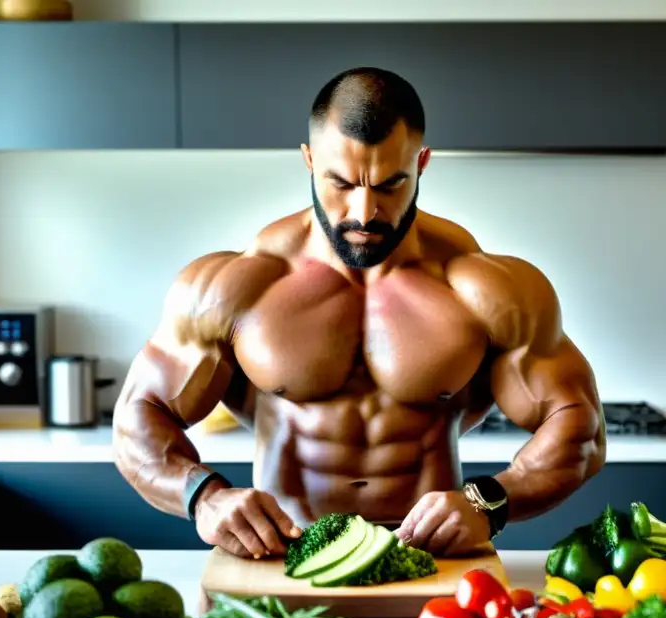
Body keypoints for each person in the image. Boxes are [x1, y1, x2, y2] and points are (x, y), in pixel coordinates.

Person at [112, 66, 607, 559]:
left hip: (428, 559)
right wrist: (205, 496)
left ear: (423, 164)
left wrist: (491, 502)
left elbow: (579, 425)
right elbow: (139, 415)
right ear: (308, 160)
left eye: (390, 184)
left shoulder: (486, 289)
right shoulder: (238, 287)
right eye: (341, 183)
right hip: (283, 553)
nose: (364, 212)